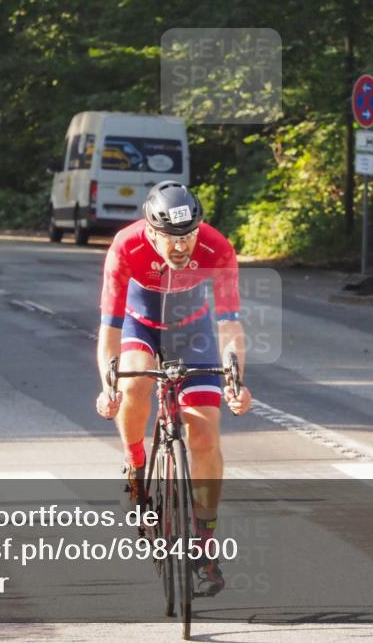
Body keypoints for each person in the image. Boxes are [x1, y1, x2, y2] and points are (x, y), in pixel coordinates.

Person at [95, 181, 252, 596]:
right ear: (151, 231)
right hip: (140, 327)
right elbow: (109, 330)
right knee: (135, 380)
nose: (182, 246)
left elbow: (230, 324)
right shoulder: (126, 246)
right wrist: (108, 387)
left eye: (189, 235)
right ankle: (135, 463)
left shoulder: (217, 247)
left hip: (192, 332)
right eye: (171, 237)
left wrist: (237, 379)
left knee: (204, 435)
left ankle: (205, 540)